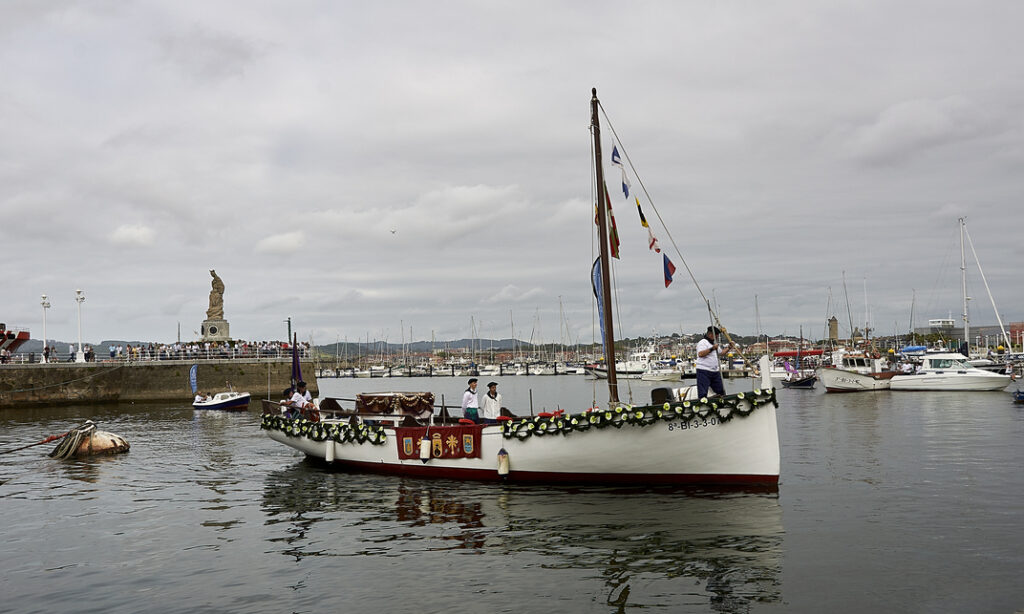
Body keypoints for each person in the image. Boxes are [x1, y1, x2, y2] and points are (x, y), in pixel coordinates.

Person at [695, 326, 731, 399]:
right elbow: (700, 354)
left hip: (714, 371)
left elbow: (721, 353)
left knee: (720, 391)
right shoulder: (703, 342)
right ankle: (703, 403)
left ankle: (721, 402)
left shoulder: (714, 343)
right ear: (710, 334)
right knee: (703, 393)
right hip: (704, 370)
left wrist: (729, 347)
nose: (717, 337)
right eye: (716, 335)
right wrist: (712, 349)